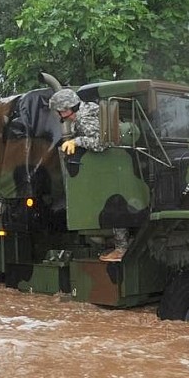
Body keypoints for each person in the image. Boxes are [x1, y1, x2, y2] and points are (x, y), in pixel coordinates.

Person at [48, 88, 129, 262]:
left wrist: (76, 141)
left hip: (111, 168)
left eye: (58, 111)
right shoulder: (89, 109)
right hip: (118, 167)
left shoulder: (83, 118)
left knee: (113, 206)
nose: (58, 114)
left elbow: (101, 143)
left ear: (66, 109)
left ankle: (121, 248)